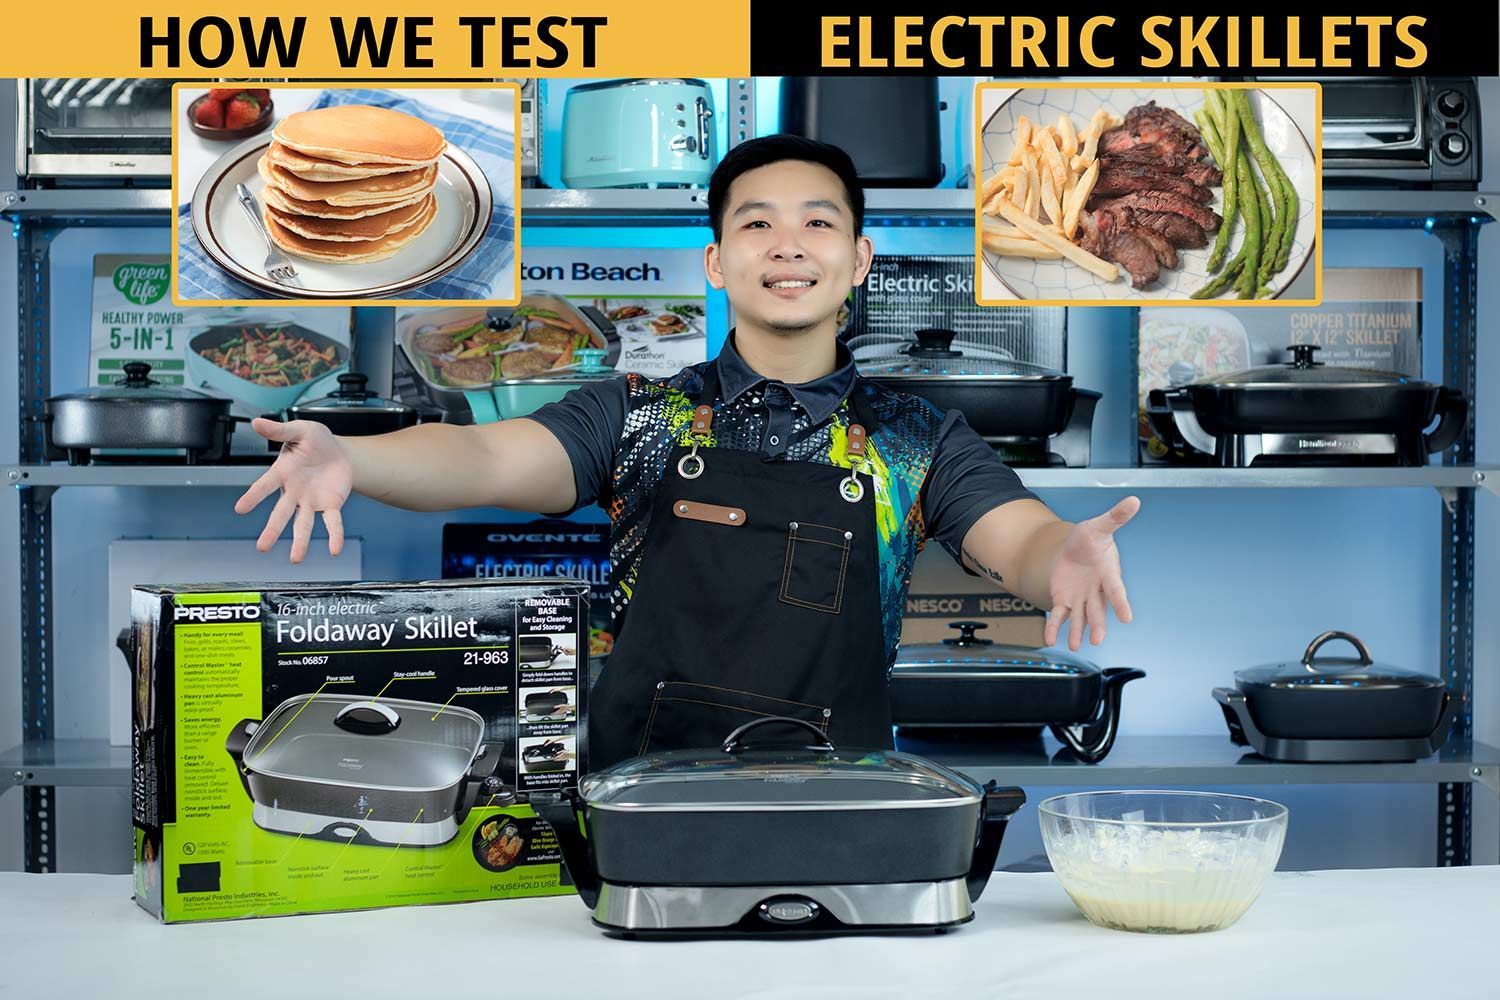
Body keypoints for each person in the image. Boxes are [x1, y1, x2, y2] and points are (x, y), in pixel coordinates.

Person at [236, 134, 1140, 769]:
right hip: (643, 791)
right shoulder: (636, 413)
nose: (789, 244)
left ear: (860, 259)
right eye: (757, 224)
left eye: (818, 224)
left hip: (841, 793)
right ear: (716, 264)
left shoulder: (917, 437)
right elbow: (485, 459)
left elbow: (1017, 538)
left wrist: (1066, 552)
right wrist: (358, 460)